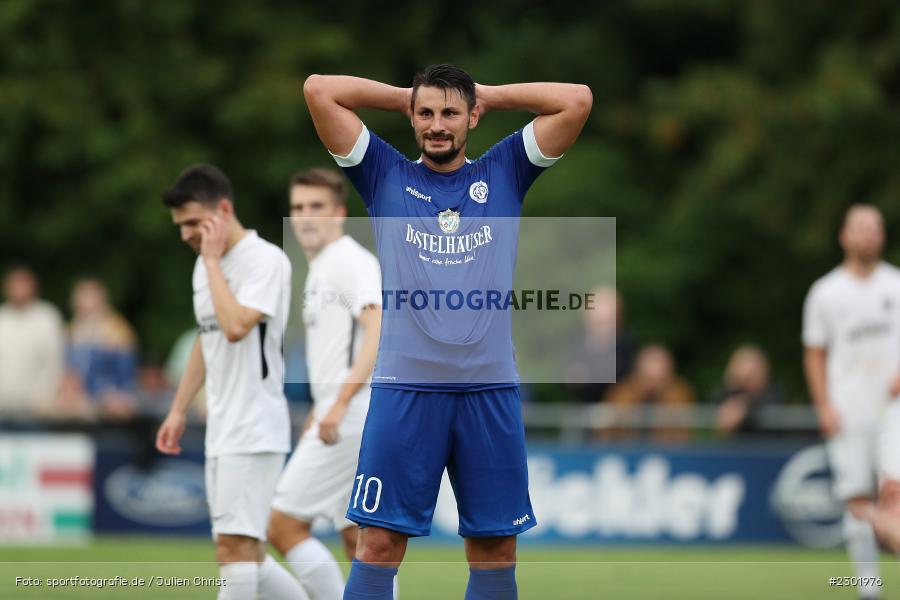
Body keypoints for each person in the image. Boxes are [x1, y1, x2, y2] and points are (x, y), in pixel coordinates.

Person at [304, 64, 592, 599]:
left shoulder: (505, 170)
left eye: (451, 113)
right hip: (405, 388)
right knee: (379, 545)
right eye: (427, 114)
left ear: (471, 117)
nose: (438, 125)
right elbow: (319, 90)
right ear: (413, 118)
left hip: (489, 389)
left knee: (495, 550)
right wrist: (406, 98)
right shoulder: (384, 174)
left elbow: (575, 100)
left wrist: (486, 94)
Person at [155, 164, 309, 600]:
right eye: (180, 225)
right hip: (223, 427)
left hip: (254, 426)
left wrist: (210, 263)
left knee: (233, 550)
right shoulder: (206, 267)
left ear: (223, 210)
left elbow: (237, 324)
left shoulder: (265, 260)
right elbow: (207, 341)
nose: (185, 234)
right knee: (246, 553)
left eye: (191, 223)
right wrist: (178, 409)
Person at [267, 167, 385, 599]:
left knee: (281, 523)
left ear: (339, 213)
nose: (305, 217)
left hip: (352, 415)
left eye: (316, 207)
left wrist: (338, 402)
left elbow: (377, 329)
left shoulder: (350, 261)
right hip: (343, 411)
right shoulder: (322, 267)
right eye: (298, 208)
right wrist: (323, 403)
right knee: (358, 540)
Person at [803, 204, 900, 600]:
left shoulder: (896, 283)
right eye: (861, 228)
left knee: (893, 494)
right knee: (858, 502)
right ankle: (868, 588)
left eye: (875, 228)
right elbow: (815, 353)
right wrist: (824, 404)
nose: (869, 236)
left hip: (894, 410)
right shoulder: (826, 292)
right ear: (844, 236)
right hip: (848, 410)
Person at [65, 278, 139, 421]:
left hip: (109, 400)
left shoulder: (118, 330)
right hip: (79, 400)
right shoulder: (72, 330)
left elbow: (126, 373)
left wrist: (119, 395)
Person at [0, 266, 65, 419]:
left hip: (37, 408)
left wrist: (47, 396)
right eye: (15, 285)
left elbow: (55, 360)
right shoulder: (2, 317)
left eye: (23, 285)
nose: (19, 290)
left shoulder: (47, 317)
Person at [601, 344, 695, 443]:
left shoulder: (679, 391)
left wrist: (660, 393)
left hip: (667, 448)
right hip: (628, 446)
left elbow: (680, 426)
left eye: (659, 363)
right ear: (639, 366)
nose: (655, 369)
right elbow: (614, 421)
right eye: (651, 363)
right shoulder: (622, 390)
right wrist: (641, 391)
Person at [564, 286, 634, 403]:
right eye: (598, 322)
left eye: (608, 321)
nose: (603, 329)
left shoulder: (627, 349)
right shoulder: (576, 347)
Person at [712, 344, 783, 435]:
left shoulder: (773, 392)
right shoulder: (727, 393)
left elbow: (772, 404)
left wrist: (744, 406)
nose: (750, 380)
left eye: (754, 373)